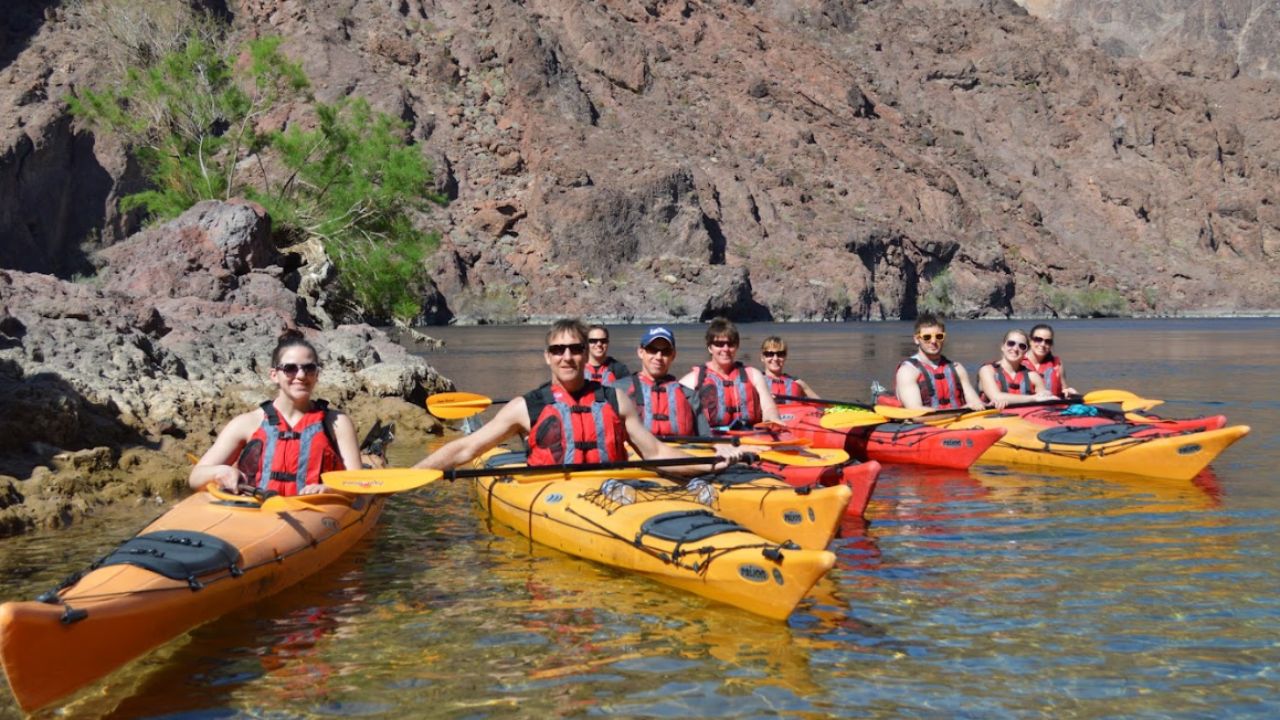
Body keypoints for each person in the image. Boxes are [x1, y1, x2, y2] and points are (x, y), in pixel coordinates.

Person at [413, 319, 743, 475]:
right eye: (558, 350)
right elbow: (467, 447)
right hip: (555, 497)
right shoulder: (526, 406)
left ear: (586, 354)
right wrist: (415, 474)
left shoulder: (615, 399)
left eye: (574, 349)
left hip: (616, 492)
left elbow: (656, 451)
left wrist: (713, 460)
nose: (566, 356)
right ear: (547, 356)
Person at [190, 329, 364, 496]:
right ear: (274, 375)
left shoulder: (337, 423)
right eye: (290, 368)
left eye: (309, 368)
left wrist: (330, 489)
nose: (301, 375)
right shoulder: (247, 423)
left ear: (317, 374)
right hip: (258, 512)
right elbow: (196, 477)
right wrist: (221, 471)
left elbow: (357, 483)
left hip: (320, 511)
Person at [678, 317, 782, 429]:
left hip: (750, 437)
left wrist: (772, 419)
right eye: (719, 344)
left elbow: (768, 407)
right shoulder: (690, 381)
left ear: (736, 346)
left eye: (731, 344)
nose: (725, 349)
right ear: (710, 348)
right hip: (711, 439)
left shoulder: (754, 376)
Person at [624, 326, 709, 436]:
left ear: (673, 356)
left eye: (665, 352)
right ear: (641, 352)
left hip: (680, 451)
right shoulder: (618, 391)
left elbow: (707, 437)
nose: (658, 357)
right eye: (652, 350)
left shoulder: (689, 395)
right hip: (636, 451)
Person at [894, 314, 986, 412]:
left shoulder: (957, 368)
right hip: (926, 425)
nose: (933, 341)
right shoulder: (908, 371)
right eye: (927, 337)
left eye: (939, 336)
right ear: (917, 339)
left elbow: (976, 403)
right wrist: (960, 411)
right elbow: (916, 413)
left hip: (960, 421)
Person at [977, 329, 1058, 409]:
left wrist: (1046, 394)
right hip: (993, 418)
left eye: (1022, 346)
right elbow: (996, 397)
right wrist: (1034, 398)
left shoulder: (1033, 376)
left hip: (1024, 419)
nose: (1015, 349)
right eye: (1011, 343)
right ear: (1002, 347)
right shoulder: (987, 371)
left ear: (1026, 351)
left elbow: (1044, 400)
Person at [1022, 323, 1077, 397]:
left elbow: (1064, 388)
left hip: (1052, 406)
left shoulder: (1057, 364)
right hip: (1025, 407)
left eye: (1048, 341)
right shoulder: (1018, 362)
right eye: (1038, 339)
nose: (1042, 344)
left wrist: (1068, 391)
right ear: (1030, 341)